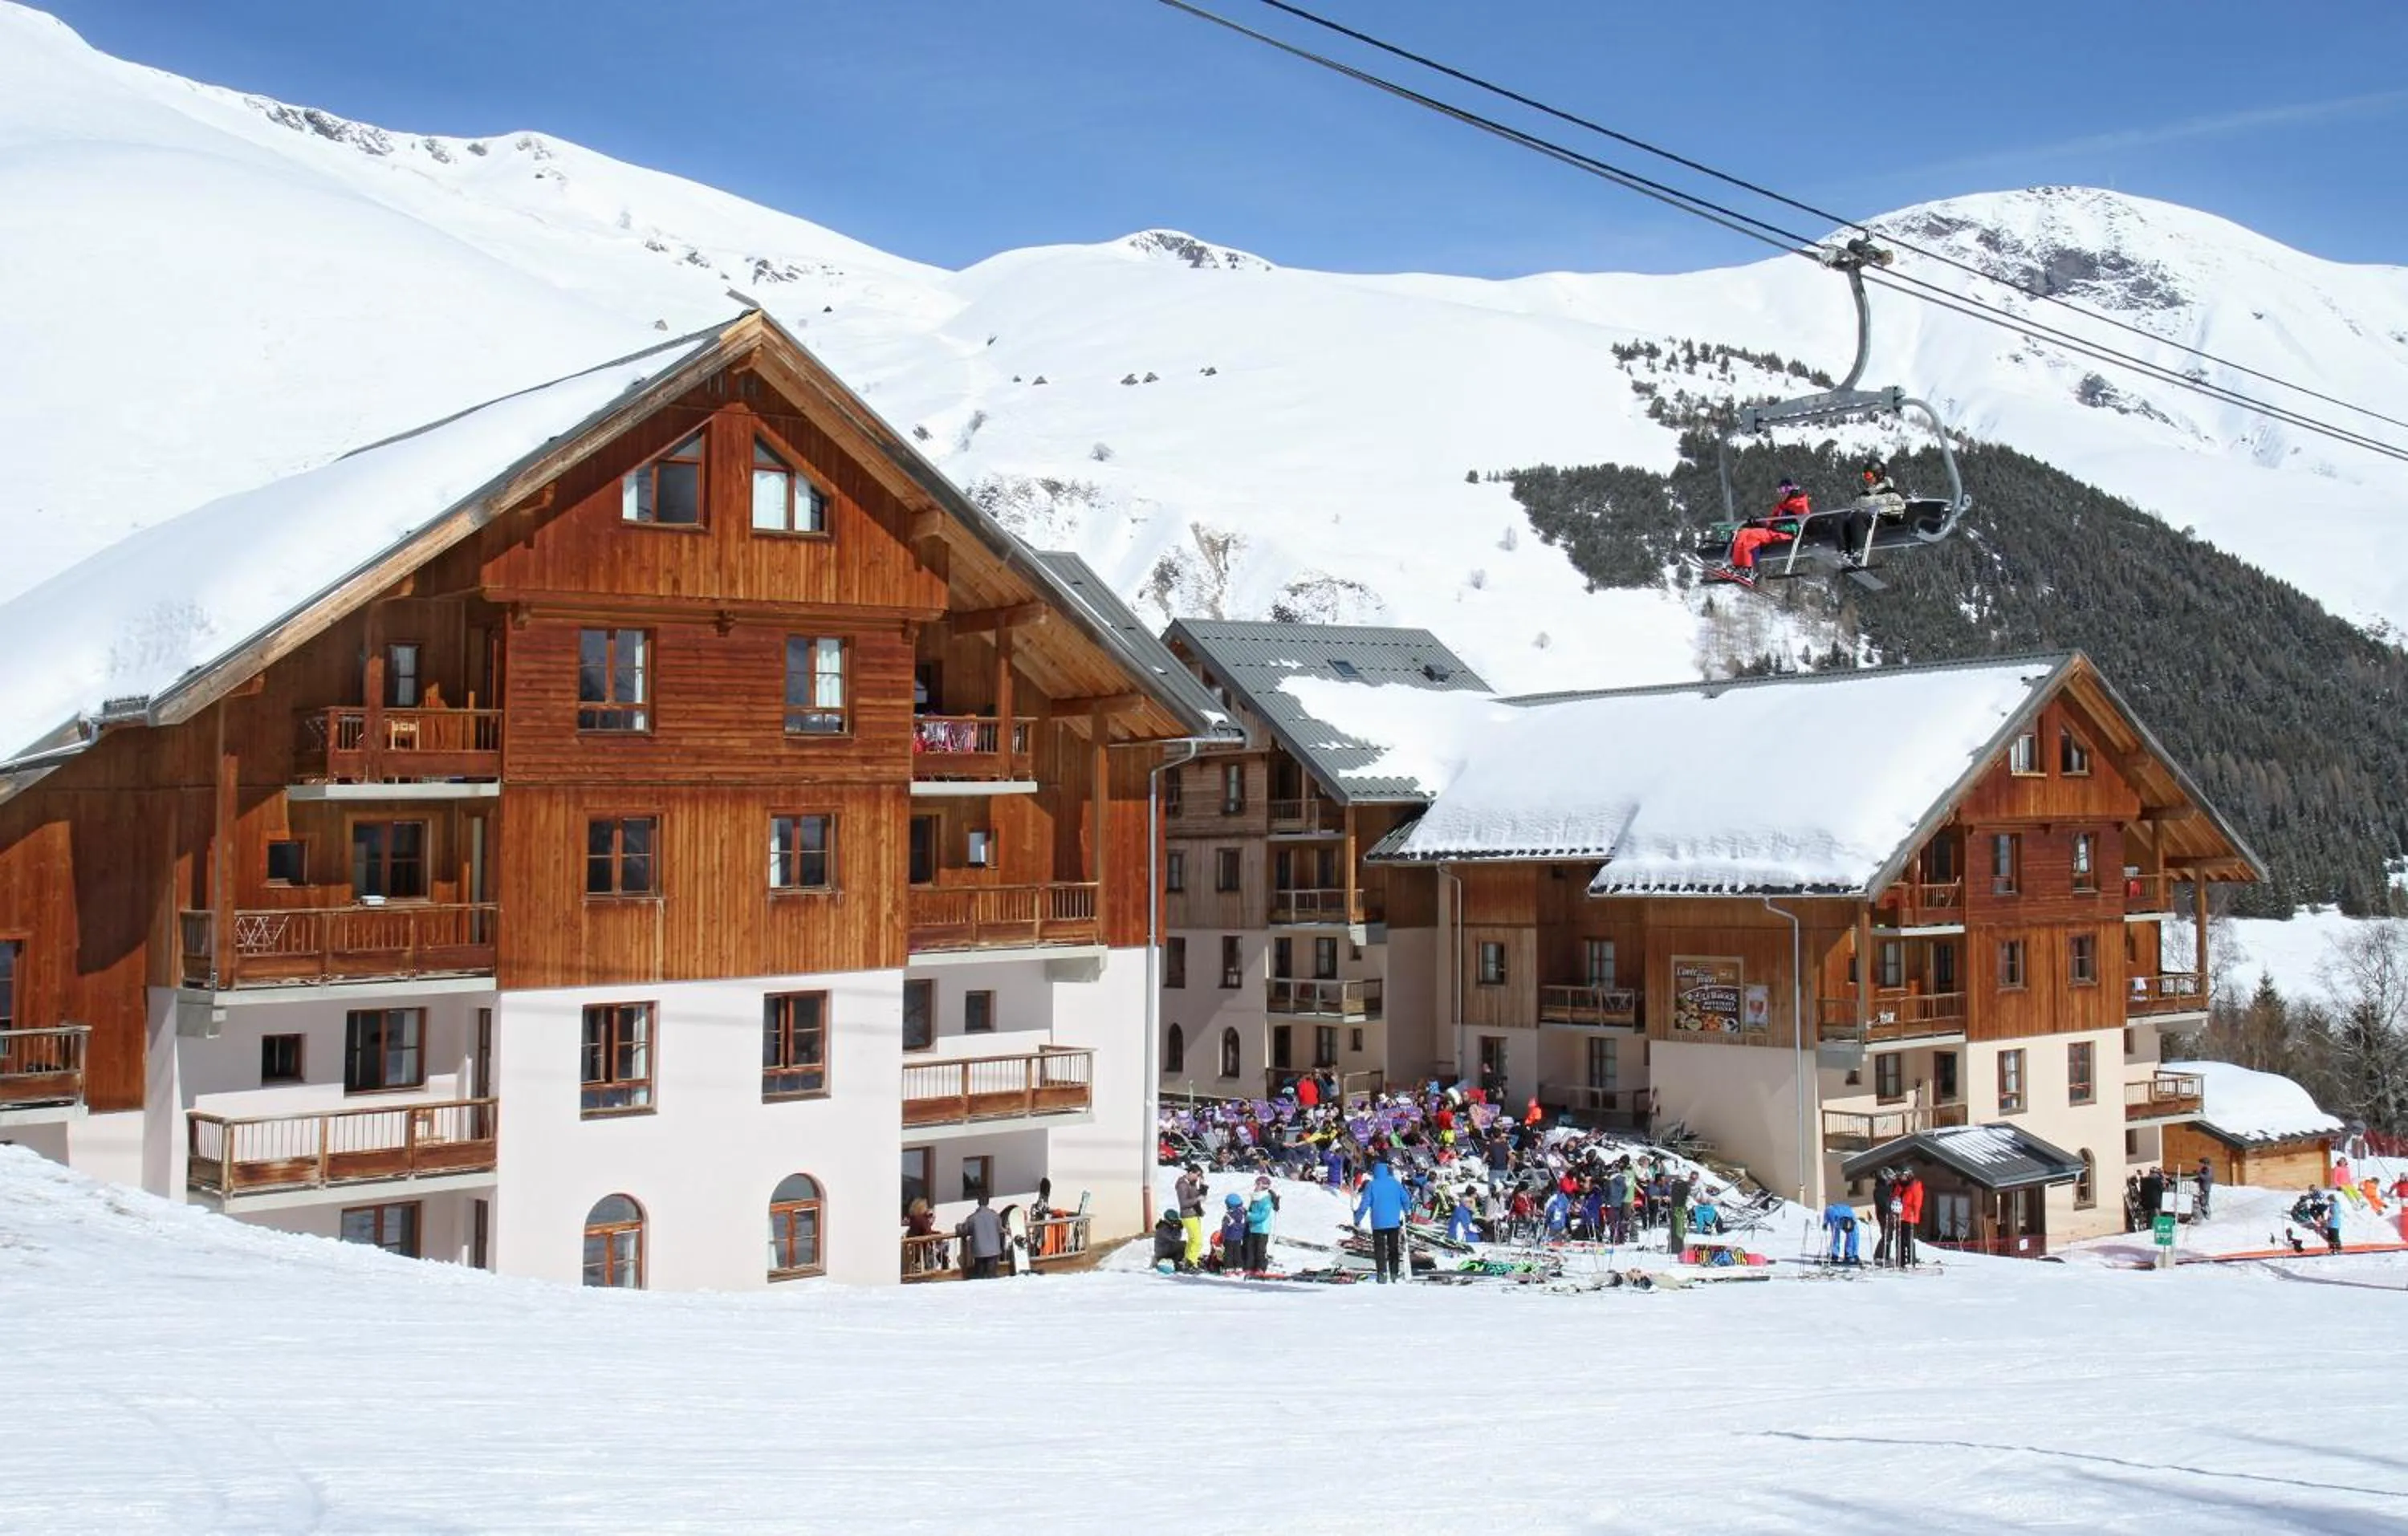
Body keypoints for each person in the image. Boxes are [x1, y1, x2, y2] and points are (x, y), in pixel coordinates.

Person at [1717, 477, 1811, 586]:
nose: (1781, 494)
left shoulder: (1799, 504)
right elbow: (1772, 523)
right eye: (1779, 491)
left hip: (1786, 535)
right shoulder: (1782, 506)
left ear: (1791, 490)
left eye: (1783, 490)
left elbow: (1802, 524)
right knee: (1743, 533)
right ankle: (1738, 567)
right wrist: (1758, 523)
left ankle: (1747, 570)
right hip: (1774, 532)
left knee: (1751, 536)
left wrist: (1783, 527)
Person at [1355, 1160, 1410, 1283]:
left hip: (1378, 1223)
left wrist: (1357, 1218)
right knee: (1393, 1248)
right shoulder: (1395, 1184)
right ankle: (1394, 1273)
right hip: (1393, 1222)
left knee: (1379, 1248)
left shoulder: (1372, 1185)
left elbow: (1364, 1205)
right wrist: (1407, 1212)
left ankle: (1382, 1273)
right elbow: (1406, 1199)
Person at [958, 1193, 1006, 1281]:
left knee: (980, 1278)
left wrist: (958, 1227)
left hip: (979, 1251)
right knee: (992, 1277)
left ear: (978, 1202)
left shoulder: (972, 1218)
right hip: (994, 1250)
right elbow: (1000, 1230)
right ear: (988, 1202)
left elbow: (964, 1231)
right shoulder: (995, 1216)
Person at [1244, 1174, 1279, 1276]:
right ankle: (1249, 1267)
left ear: (1264, 1186)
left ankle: (1261, 1268)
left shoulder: (1266, 1199)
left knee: (1260, 1250)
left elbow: (1262, 1216)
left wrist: (1249, 1216)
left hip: (1262, 1229)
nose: (1256, 1186)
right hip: (1252, 1228)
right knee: (1250, 1249)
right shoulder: (1255, 1197)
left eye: (1258, 1184)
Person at [1174, 1163, 1209, 1267]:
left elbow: (1198, 1195)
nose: (1198, 1178)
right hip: (1188, 1215)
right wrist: (1197, 1200)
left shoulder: (1192, 1183)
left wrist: (1203, 1186)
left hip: (1194, 1214)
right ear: (1190, 1173)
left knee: (1192, 1240)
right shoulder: (1182, 1185)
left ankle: (1188, 1260)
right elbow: (1183, 1203)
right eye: (1197, 1175)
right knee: (1197, 1241)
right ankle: (1191, 1262)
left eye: (1199, 1176)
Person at [1896, 1169, 1925, 1267]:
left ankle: (1911, 1260)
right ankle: (1901, 1260)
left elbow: (1917, 1203)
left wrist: (1914, 1214)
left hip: (1909, 1217)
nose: (1901, 1178)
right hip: (1900, 1216)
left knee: (1907, 1239)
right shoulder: (1900, 1185)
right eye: (1900, 1176)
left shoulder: (1915, 1186)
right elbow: (1895, 1197)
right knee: (1900, 1239)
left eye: (1903, 1176)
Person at [1214, 1193, 1248, 1273]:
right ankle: (1239, 1267)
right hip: (1238, 1238)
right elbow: (1244, 1225)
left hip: (1229, 1237)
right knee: (1237, 1252)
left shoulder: (1228, 1215)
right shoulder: (1243, 1214)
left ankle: (1229, 1268)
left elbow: (1224, 1227)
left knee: (1229, 1253)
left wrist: (1223, 1236)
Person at [1873, 1167, 1898, 1266]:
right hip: (1883, 1214)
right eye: (1889, 1179)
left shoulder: (1888, 1187)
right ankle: (1879, 1256)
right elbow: (1882, 1203)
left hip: (1889, 1214)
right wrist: (1889, 1206)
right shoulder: (1879, 1188)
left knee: (1889, 1235)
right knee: (1886, 1235)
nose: (1890, 1181)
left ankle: (1886, 1256)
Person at [1822, 1201, 1860, 1266]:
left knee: (1853, 1235)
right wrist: (1825, 1223)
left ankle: (1849, 1254)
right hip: (1834, 1213)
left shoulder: (1852, 1218)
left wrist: (1855, 1254)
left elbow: (1855, 1237)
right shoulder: (1831, 1212)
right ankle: (1834, 1254)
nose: (1845, 1232)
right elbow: (1827, 1214)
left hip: (1847, 1214)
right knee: (1835, 1234)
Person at [1666, 1171, 1693, 1256]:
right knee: (1678, 1229)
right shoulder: (1680, 1185)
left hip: (1680, 1209)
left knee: (1680, 1229)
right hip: (1678, 1210)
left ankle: (1676, 1246)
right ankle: (1675, 1246)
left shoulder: (1677, 1185)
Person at [2195, 1157, 2215, 1221]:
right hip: (2202, 1187)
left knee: (2205, 1201)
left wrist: (2199, 1174)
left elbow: (2207, 1178)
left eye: (2202, 1163)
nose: (2200, 1165)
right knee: (2201, 1200)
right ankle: (2204, 1213)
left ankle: (2207, 1214)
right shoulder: (2204, 1169)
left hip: (2206, 1187)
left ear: (2205, 1163)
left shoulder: (2209, 1169)